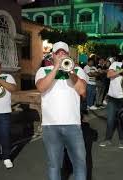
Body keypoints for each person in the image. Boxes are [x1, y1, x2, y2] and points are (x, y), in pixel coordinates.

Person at [35, 41, 87, 180]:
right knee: (54, 165)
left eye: (63, 52)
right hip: (50, 125)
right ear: (53, 55)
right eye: (58, 53)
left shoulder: (77, 70)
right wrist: (56, 67)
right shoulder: (43, 70)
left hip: (73, 124)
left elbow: (82, 91)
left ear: (68, 55)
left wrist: (71, 72)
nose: (61, 55)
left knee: (80, 164)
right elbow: (41, 88)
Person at [99, 56, 123, 149]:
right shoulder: (116, 64)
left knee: (121, 120)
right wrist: (121, 71)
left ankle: (122, 140)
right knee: (110, 120)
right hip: (112, 98)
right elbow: (109, 75)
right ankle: (107, 139)